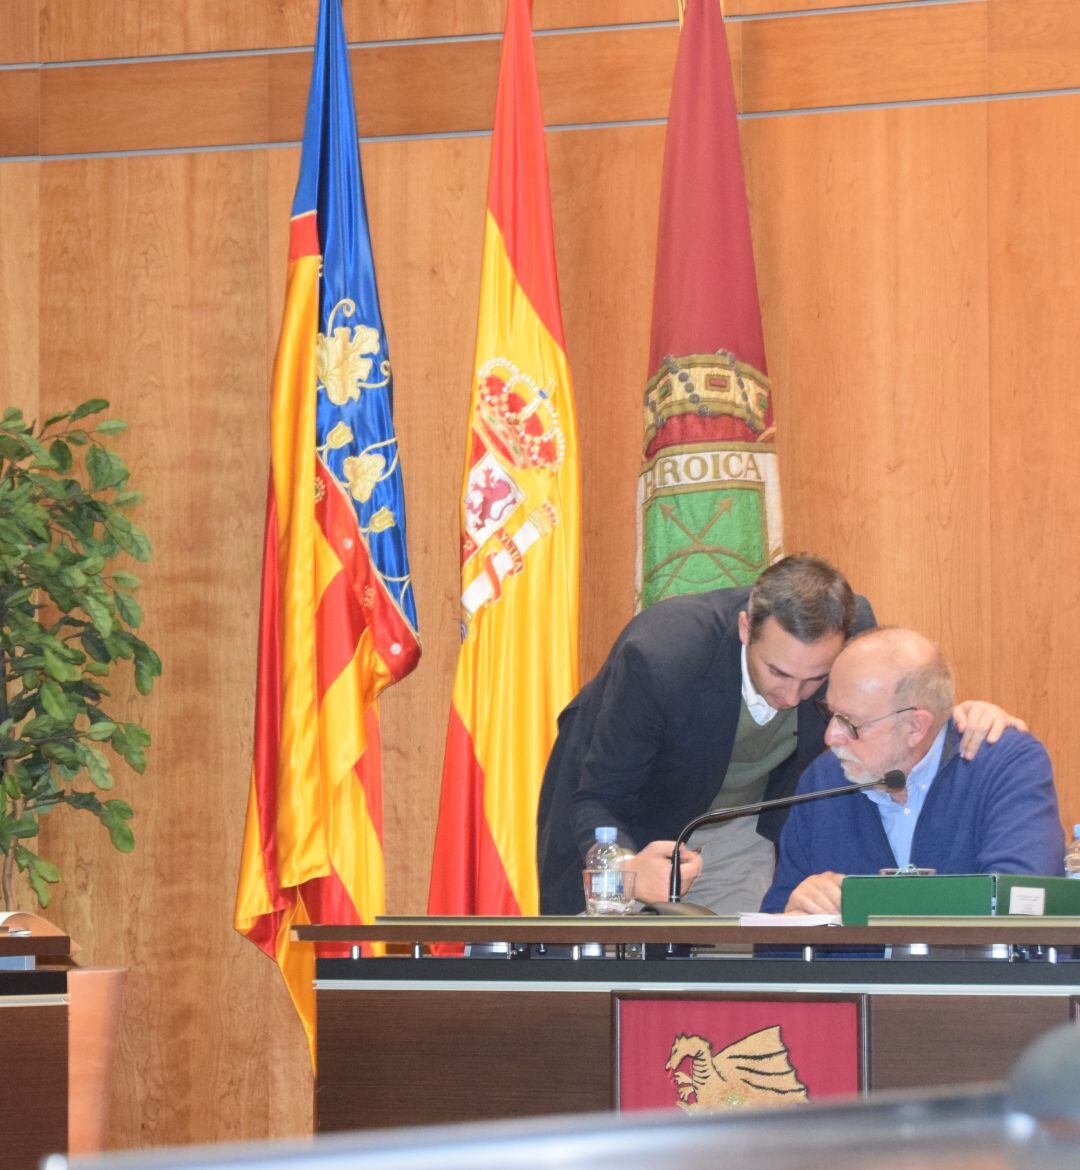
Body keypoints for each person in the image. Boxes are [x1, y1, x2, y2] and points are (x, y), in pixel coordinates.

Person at [536, 555, 1022, 915]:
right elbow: (598, 796)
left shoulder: (855, 632)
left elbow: (901, 702)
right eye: (778, 672)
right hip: (625, 823)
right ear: (746, 627)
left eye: (815, 680)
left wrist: (962, 716)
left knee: (741, 979)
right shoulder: (662, 655)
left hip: (738, 827)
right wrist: (623, 869)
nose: (793, 696)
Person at [760, 628, 1063, 915]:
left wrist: (866, 900)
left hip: (973, 971)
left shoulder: (1004, 764)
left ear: (916, 727)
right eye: (829, 713)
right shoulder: (822, 780)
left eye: (851, 723)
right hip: (856, 974)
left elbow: (1022, 904)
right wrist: (795, 909)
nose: (830, 737)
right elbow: (773, 941)